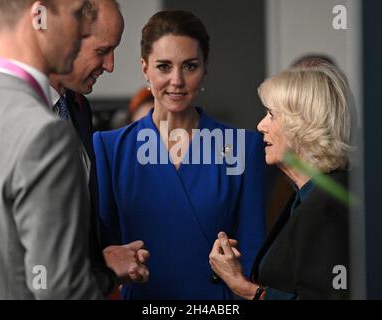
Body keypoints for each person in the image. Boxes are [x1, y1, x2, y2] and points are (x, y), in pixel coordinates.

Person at [93, 10, 267, 299]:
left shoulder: (242, 147)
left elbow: (252, 255)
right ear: (145, 68)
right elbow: (104, 255)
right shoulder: (110, 149)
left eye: (189, 66)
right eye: (164, 66)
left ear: (205, 69)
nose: (177, 80)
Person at [0, 0, 104, 299]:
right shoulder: (46, 134)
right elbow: (59, 289)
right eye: (76, 14)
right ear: (39, 16)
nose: (83, 30)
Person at [209, 65, 352, 300]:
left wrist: (243, 287)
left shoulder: (326, 204)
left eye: (271, 115)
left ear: (303, 125)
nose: (260, 126)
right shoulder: (308, 196)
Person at [49, 0, 149, 296]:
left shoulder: (78, 109)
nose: (110, 65)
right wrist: (98, 264)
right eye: (102, 51)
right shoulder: (14, 113)